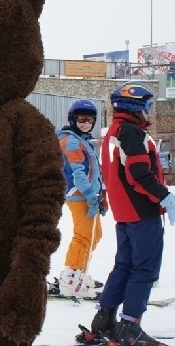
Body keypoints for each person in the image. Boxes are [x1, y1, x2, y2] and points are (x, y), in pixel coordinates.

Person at [85, 81, 175, 346]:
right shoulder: (132, 133)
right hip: (141, 211)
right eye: (147, 105)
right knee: (144, 269)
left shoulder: (114, 131)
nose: (149, 110)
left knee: (124, 266)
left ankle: (105, 319)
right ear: (135, 106)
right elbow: (139, 174)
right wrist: (165, 197)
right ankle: (130, 327)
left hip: (125, 213)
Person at [56, 99, 105, 298]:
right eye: (81, 119)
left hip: (87, 195)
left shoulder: (80, 138)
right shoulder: (72, 140)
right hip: (80, 195)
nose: (86, 123)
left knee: (95, 234)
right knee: (84, 236)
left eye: (90, 119)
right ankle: (71, 279)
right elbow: (78, 172)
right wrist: (90, 194)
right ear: (72, 119)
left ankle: (79, 273)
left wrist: (100, 193)